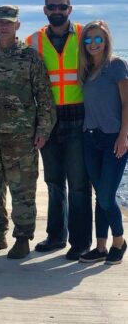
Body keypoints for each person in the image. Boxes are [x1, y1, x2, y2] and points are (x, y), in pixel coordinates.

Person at [0, 5, 56, 259]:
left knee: (22, 189)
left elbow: (44, 96)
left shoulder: (30, 57)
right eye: (0, 22)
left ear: (17, 26)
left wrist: (43, 129)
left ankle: (23, 237)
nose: (4, 26)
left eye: (9, 23)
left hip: (21, 137)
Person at [26, 0, 92, 260]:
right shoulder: (33, 41)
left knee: (78, 184)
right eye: (52, 6)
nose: (57, 11)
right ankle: (56, 237)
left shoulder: (84, 35)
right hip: (48, 117)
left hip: (79, 116)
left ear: (70, 9)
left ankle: (81, 242)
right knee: (54, 181)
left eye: (62, 6)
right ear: (45, 10)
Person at [76, 21, 128, 265]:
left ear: (106, 40)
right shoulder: (86, 69)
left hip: (113, 139)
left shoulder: (116, 65)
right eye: (88, 39)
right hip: (90, 137)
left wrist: (123, 135)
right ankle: (100, 247)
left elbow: (127, 103)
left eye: (98, 38)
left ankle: (119, 241)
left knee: (107, 196)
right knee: (100, 195)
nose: (93, 43)